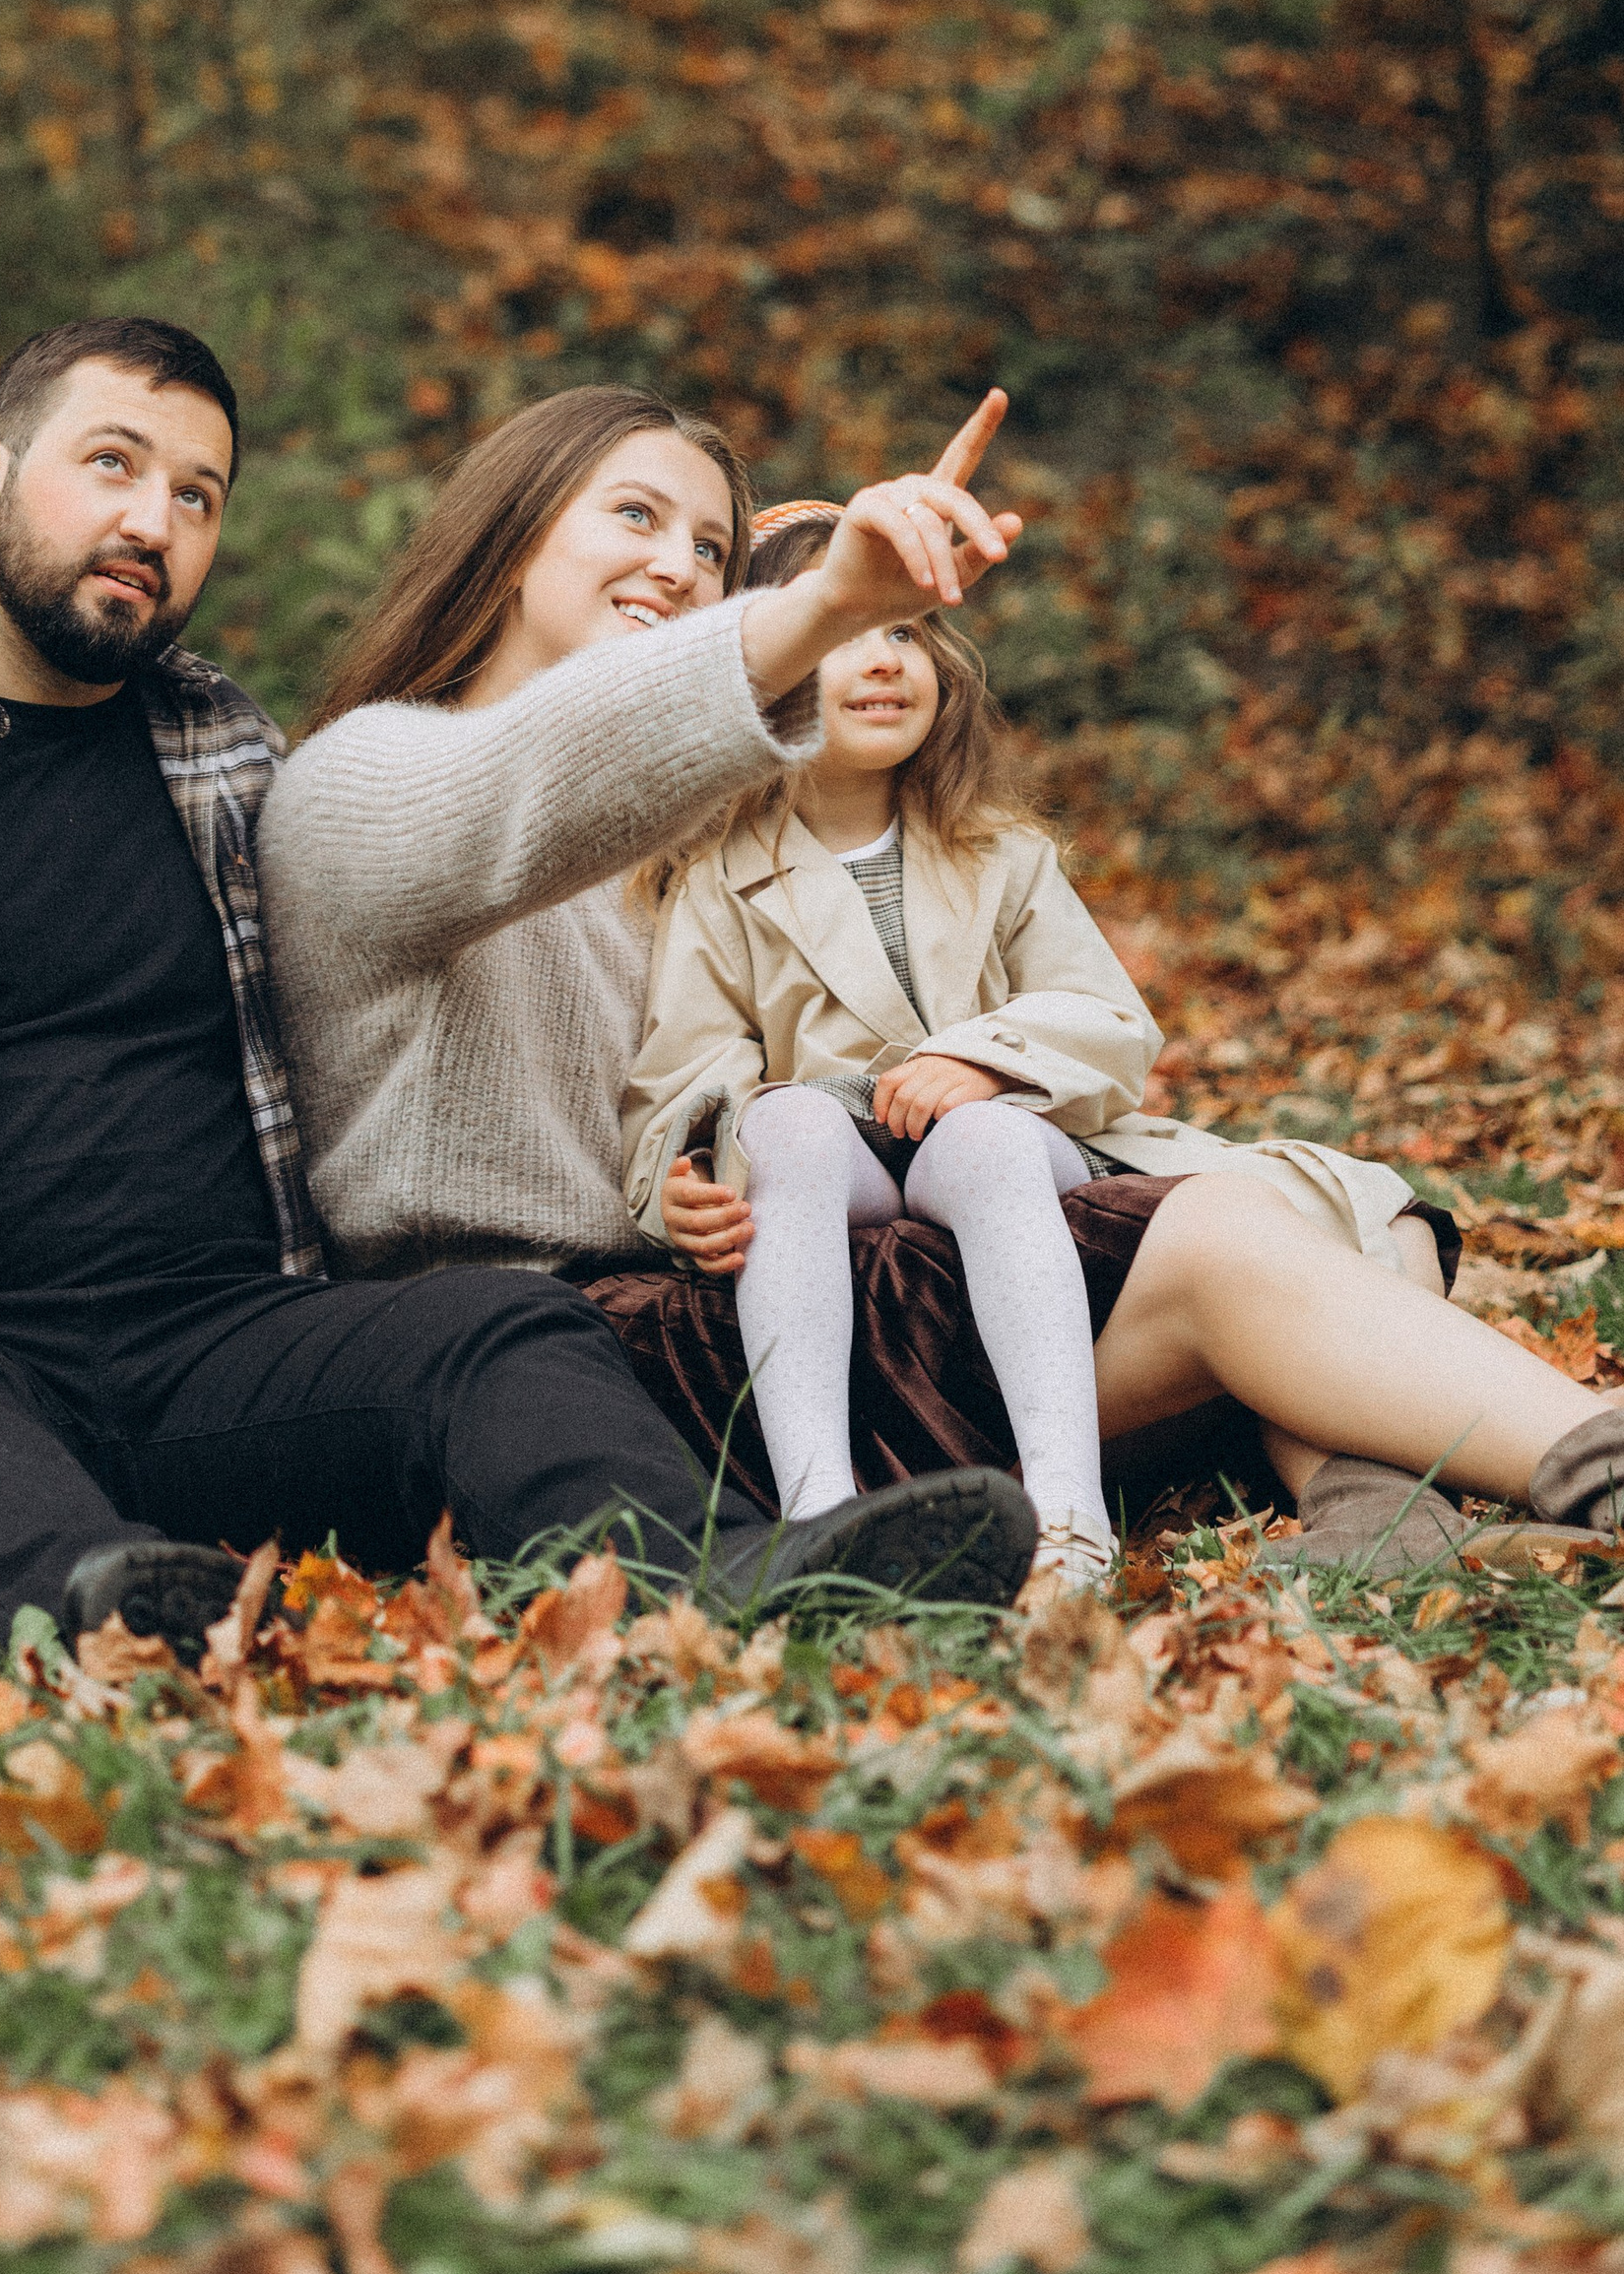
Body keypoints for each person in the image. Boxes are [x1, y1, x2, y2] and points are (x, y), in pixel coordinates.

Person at [0, 316, 1032, 1653]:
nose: (155, 519)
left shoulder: (224, 753)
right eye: (114, 465)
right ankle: (100, 1608)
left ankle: (724, 1579)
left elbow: (530, 785)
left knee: (489, 1328)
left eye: (198, 494)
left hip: (205, 1350)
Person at [262, 380, 1624, 1580]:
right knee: (1212, 1241)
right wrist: (824, 602)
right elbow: (530, 790)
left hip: (777, 1286)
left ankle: (1374, 1509)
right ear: (506, 535)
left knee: (1326, 1212)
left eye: (710, 548)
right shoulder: (364, 785)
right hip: (551, 1356)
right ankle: (1587, 1456)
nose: (679, 565)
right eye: (634, 517)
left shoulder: (698, 838)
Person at [624, 502, 1422, 1594]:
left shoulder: (999, 852)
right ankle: (821, 1514)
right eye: (842, 635)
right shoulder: (718, 871)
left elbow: (1104, 1016)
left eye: (904, 633)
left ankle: (1067, 1515)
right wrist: (686, 1174)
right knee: (781, 1119)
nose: (882, 662)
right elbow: (686, 1066)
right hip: (843, 1160)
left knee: (988, 1141)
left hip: (995, 1139)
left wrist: (989, 1058)